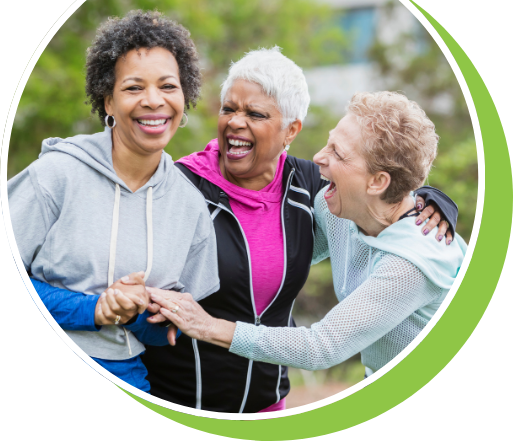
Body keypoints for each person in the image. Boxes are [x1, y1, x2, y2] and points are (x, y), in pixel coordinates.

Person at [21, 47, 454, 412]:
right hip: (178, 399)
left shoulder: (325, 199)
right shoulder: (182, 186)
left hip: (276, 404)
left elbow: (325, 344)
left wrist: (429, 198)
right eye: (229, 109)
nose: (321, 159)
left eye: (256, 113)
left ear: (290, 130)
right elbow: (118, 286)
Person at [148, 90, 467, 381]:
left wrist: (206, 325)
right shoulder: (339, 207)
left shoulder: (412, 264)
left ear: (377, 182)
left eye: (338, 154)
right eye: (329, 143)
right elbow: (285, 252)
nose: (317, 158)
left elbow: (321, 347)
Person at [7, 10, 220, 393]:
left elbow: (166, 335)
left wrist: (138, 310)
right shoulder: (55, 176)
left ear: (184, 96)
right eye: (134, 87)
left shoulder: (189, 206)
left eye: (168, 86)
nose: (153, 101)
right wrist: (94, 309)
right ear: (107, 101)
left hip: (128, 376)